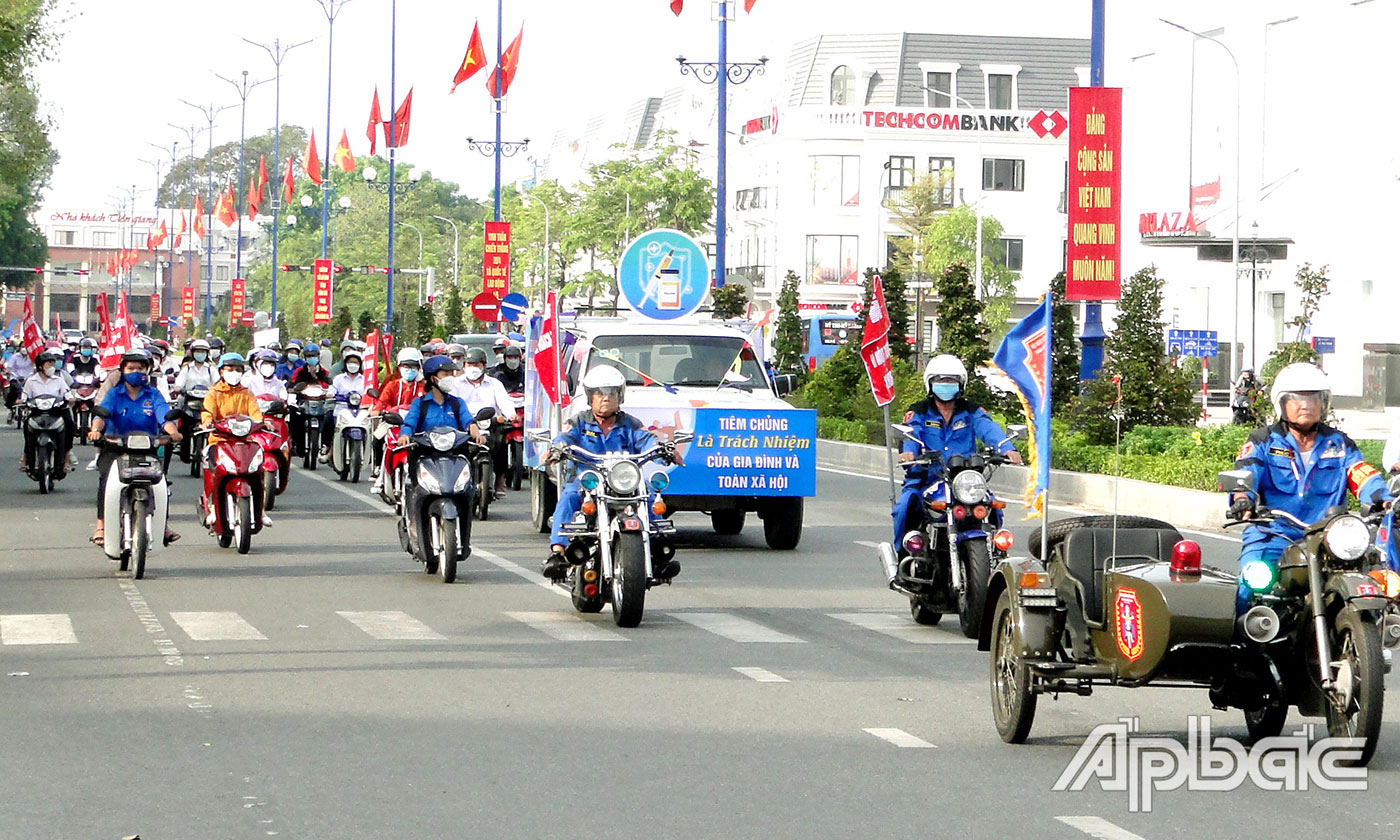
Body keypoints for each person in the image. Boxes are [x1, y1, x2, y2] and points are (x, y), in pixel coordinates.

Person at [1229, 362, 1388, 613]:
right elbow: (1246, 472)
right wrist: (1242, 498)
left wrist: (1384, 499)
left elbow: (1362, 474)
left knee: (1376, 585)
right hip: (1274, 536)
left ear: (1323, 404)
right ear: (1281, 403)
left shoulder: (1339, 444)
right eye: (1297, 399)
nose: (1307, 405)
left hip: (1330, 540)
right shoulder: (1262, 442)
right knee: (1249, 587)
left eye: (1314, 398)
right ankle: (1243, 648)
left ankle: (1374, 643)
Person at [541, 365, 680, 582]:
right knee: (568, 497)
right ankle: (557, 553)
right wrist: (557, 448)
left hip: (623, 479)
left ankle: (657, 553)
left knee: (650, 497)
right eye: (600, 393)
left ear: (619, 396)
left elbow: (647, 440)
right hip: (587, 480)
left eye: (611, 393)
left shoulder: (630, 423)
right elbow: (565, 437)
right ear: (590, 397)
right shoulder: (579, 421)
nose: (605, 398)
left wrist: (664, 450)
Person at [891, 354, 1022, 545]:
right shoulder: (919, 411)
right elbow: (911, 432)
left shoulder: (971, 411)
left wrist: (1006, 448)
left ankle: (994, 553)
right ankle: (903, 555)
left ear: (961, 384)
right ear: (931, 383)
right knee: (904, 507)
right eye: (941, 380)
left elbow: (989, 429)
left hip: (964, 480)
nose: (946, 384)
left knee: (993, 508)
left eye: (951, 380)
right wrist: (909, 452)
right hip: (926, 479)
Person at [87, 350, 180, 546]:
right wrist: (96, 430)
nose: (135, 371)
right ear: (122, 370)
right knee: (106, 481)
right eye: (130, 368)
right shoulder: (114, 394)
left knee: (160, 484)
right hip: (115, 446)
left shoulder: (153, 394)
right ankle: (100, 526)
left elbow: (164, 415)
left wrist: (173, 433)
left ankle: (162, 526)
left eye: (140, 368)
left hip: (147, 448)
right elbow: (101, 415)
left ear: (147, 370)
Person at [200, 352, 267, 526]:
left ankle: (261, 510)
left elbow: (256, 414)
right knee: (209, 464)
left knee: (259, 468)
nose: (234, 372)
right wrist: (207, 422)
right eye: (230, 369)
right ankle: (212, 505)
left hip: (245, 441)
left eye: (238, 369)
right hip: (219, 441)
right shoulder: (213, 393)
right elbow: (208, 412)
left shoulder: (247, 394)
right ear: (221, 371)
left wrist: (263, 423)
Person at [451, 345, 516, 498]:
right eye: (469, 365)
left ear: (484, 366)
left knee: (500, 442)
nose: (472, 368)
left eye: (476, 365)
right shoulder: (456, 384)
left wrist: (510, 415)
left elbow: (504, 403)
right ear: (464, 366)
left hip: (489, 422)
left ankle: (500, 479)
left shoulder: (494, 384)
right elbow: (451, 403)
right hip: (464, 424)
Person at [369, 347, 425, 491]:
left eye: (413, 367)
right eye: (406, 366)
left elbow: (427, 403)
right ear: (399, 367)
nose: (409, 370)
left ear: (419, 368)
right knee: (378, 438)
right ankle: (378, 470)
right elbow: (382, 402)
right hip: (392, 421)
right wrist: (378, 410)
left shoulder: (422, 386)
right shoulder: (392, 385)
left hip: (415, 424)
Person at [19, 350, 76, 475]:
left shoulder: (59, 380)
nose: (52, 367)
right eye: (49, 364)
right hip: (37, 412)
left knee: (70, 425)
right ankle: (25, 457)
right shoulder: (31, 381)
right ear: (40, 366)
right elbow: (24, 396)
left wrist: (70, 398)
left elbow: (67, 393)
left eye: (53, 364)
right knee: (27, 428)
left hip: (57, 411)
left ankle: (67, 456)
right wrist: (21, 401)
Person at [401, 354, 472, 435]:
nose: (450, 378)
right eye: (445, 374)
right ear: (433, 378)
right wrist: (405, 435)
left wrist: (473, 427)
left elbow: (467, 419)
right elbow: (410, 423)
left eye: (451, 374)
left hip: (456, 447)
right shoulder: (419, 404)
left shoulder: (458, 403)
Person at [321, 346, 368, 460]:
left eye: (356, 362)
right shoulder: (338, 379)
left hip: (359, 412)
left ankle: (368, 453)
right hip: (340, 411)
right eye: (350, 362)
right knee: (328, 420)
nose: (353, 364)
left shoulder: (364, 380)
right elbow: (332, 390)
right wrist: (330, 395)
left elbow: (369, 391)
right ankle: (327, 447)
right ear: (345, 363)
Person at [289, 344, 332, 457]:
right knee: (295, 417)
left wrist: (325, 387)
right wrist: (296, 388)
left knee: (330, 419)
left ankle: (325, 446)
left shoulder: (324, 372)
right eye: (308, 356)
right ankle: (297, 445)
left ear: (318, 357)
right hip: (303, 402)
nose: (311, 358)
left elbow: (330, 385)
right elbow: (291, 384)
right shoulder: (299, 371)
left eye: (313, 356)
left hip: (320, 402)